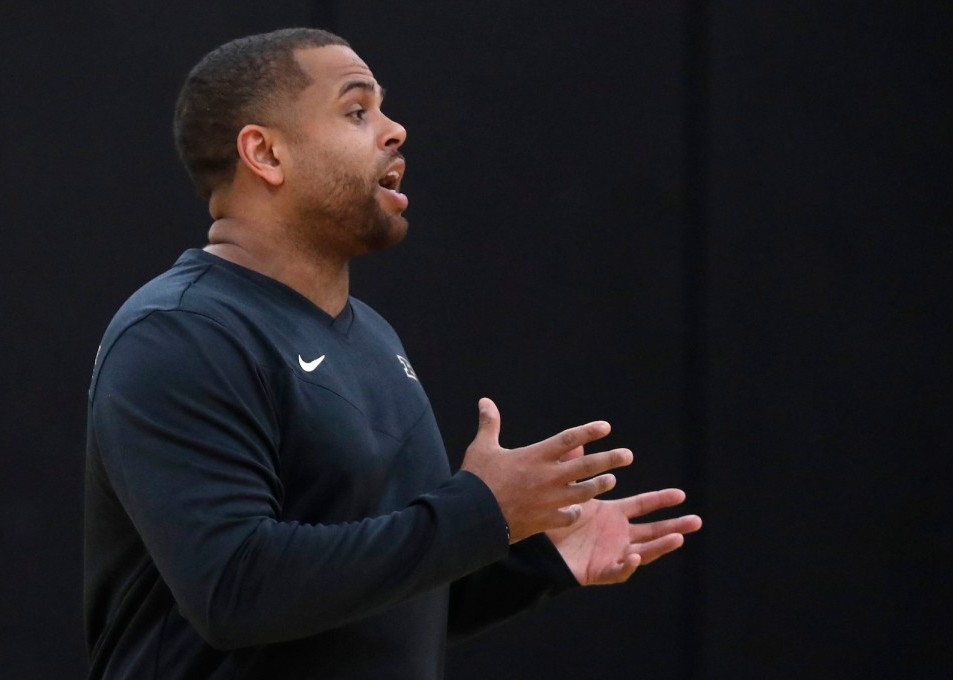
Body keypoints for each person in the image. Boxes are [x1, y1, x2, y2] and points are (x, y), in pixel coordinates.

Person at [83, 27, 702, 679]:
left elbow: (385, 591)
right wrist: (477, 512)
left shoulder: (372, 337)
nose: (395, 129)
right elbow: (235, 591)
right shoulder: (181, 334)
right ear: (264, 153)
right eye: (357, 110)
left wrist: (537, 554)